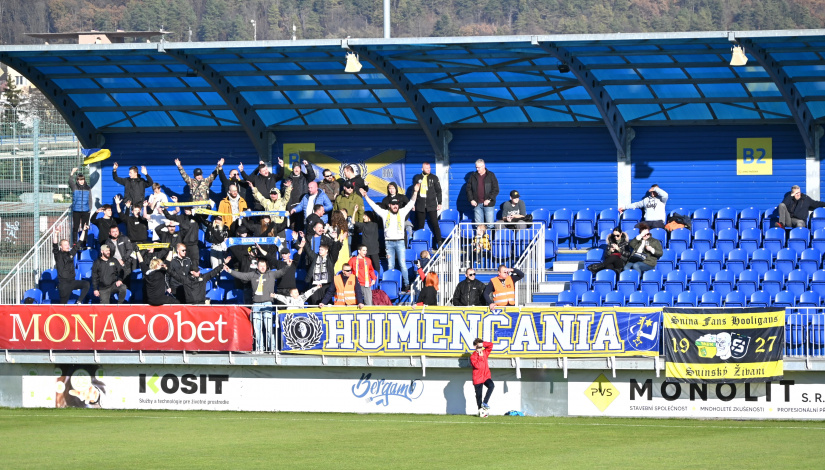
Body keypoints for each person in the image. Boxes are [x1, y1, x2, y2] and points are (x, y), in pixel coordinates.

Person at [362, 184, 419, 290]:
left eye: (397, 204)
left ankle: (406, 284)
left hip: (400, 242)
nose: (395, 206)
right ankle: (391, 286)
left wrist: (415, 192)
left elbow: (411, 203)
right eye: (393, 204)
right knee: (390, 266)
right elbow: (374, 205)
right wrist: (366, 196)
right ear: (389, 205)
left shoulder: (402, 212)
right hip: (389, 243)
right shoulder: (384, 213)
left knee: (402, 264)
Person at [224, 259, 288, 352]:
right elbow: (241, 275)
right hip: (256, 305)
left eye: (264, 266)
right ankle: (259, 349)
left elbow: (282, 272)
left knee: (269, 328)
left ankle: (273, 349)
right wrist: (230, 271)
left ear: (266, 266)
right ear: (257, 267)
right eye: (260, 266)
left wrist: (288, 266)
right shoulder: (252, 275)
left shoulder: (272, 274)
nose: (262, 268)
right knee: (257, 330)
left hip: (267, 305)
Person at [52, 228, 90, 305]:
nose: (67, 246)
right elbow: (55, 245)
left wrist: (84, 231)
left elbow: (79, 242)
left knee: (86, 284)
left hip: (72, 281)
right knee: (63, 304)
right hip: (64, 284)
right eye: (65, 245)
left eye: (68, 244)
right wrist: (55, 234)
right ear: (61, 247)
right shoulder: (58, 255)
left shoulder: (71, 253)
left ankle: (79, 301)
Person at [411, 162, 443, 249]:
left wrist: (439, 203)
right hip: (420, 205)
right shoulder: (417, 178)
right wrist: (413, 204)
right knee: (420, 225)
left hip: (431, 204)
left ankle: (439, 242)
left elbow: (439, 191)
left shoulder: (434, 178)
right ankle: (420, 244)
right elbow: (414, 191)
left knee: (435, 224)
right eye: (426, 168)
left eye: (429, 168)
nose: (428, 169)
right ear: (422, 169)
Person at [298, 237, 338, 305]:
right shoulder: (315, 257)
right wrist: (304, 240)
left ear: (326, 251)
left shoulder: (330, 259)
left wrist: (335, 240)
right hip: (315, 284)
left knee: (326, 302)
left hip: (326, 284)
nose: (320, 251)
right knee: (314, 302)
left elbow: (335, 251)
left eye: (322, 250)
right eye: (319, 249)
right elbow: (309, 251)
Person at [281, 157, 316, 229]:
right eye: (295, 168)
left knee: (302, 224)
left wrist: (308, 166)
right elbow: (283, 192)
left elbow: (312, 176)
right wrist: (286, 188)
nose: (296, 169)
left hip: (302, 205)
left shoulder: (305, 178)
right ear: (292, 169)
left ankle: (302, 239)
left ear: (300, 169)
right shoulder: (288, 179)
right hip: (291, 205)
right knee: (292, 225)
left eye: (298, 168)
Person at [467, 159, 499, 224]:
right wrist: (471, 200)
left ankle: (488, 234)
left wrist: (489, 199)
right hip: (477, 204)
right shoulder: (473, 176)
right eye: (476, 167)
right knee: (478, 224)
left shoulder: (491, 175)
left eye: (479, 167)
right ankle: (480, 234)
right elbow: (468, 189)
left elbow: (496, 189)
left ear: (484, 166)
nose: (477, 169)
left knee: (489, 224)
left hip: (489, 204)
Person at [470, 338, 495, 414]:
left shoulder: (485, 352)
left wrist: (483, 344)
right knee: (478, 396)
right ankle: (481, 412)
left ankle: (485, 402)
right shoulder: (473, 356)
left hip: (485, 376)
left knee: (491, 385)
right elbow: (477, 366)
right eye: (478, 347)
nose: (480, 349)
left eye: (481, 347)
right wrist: (480, 357)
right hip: (477, 378)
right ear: (475, 347)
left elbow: (491, 345)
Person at [68, 168, 92, 245]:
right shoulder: (74, 187)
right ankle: (75, 242)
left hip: (86, 210)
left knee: (85, 227)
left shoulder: (88, 188)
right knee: (76, 227)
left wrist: (90, 208)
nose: (81, 181)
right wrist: (72, 172)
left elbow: (90, 199)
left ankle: (84, 242)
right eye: (80, 180)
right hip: (76, 210)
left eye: (82, 179)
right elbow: (70, 182)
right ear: (77, 180)